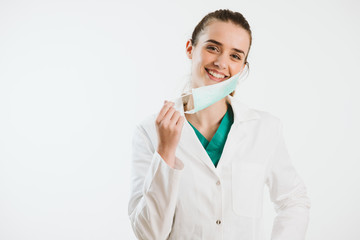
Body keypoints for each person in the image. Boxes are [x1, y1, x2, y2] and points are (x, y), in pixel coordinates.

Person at [128, 9, 311, 240]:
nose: (221, 62)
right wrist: (165, 151)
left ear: (243, 67)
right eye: (212, 47)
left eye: (235, 56)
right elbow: (149, 234)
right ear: (190, 48)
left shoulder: (265, 128)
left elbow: (293, 200)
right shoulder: (148, 132)